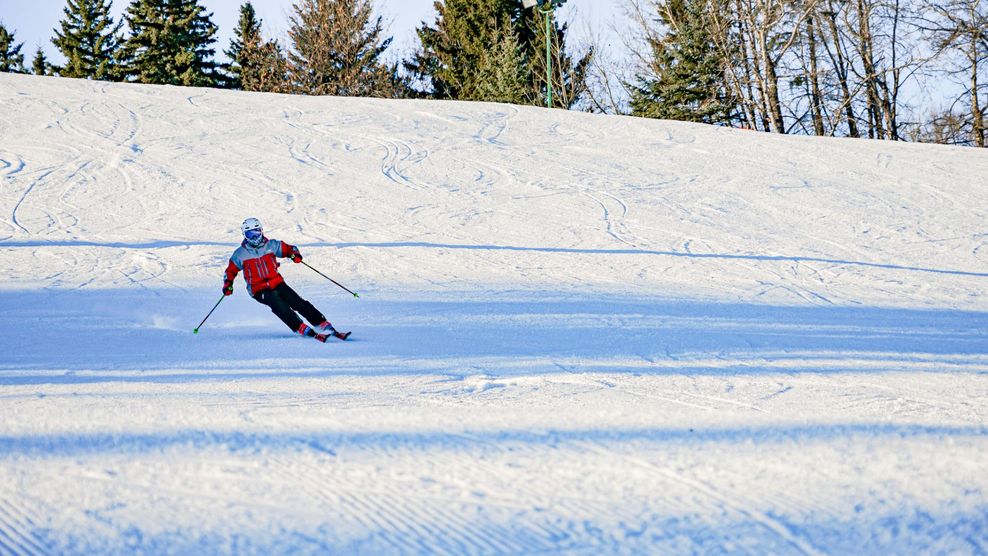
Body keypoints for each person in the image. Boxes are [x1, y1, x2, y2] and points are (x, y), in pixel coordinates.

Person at [223, 217, 349, 343]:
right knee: (277, 303)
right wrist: (228, 284)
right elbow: (230, 271)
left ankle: (321, 323)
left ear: (261, 231)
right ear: (245, 235)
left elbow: (290, 249)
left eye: (256, 232)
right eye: (250, 234)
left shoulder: (271, 245)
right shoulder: (240, 254)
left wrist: (294, 255)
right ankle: (299, 326)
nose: (255, 237)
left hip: (277, 282)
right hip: (258, 289)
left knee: (297, 301)